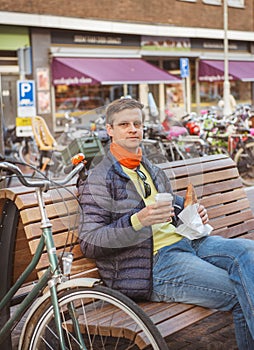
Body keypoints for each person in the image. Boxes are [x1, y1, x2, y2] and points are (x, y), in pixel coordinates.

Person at [78, 98, 254, 349]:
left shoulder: (146, 165)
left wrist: (191, 211)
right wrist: (138, 220)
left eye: (137, 123)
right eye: (124, 124)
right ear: (110, 130)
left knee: (247, 252)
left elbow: (170, 203)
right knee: (243, 290)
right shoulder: (98, 178)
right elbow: (90, 242)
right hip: (155, 264)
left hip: (187, 242)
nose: (132, 129)